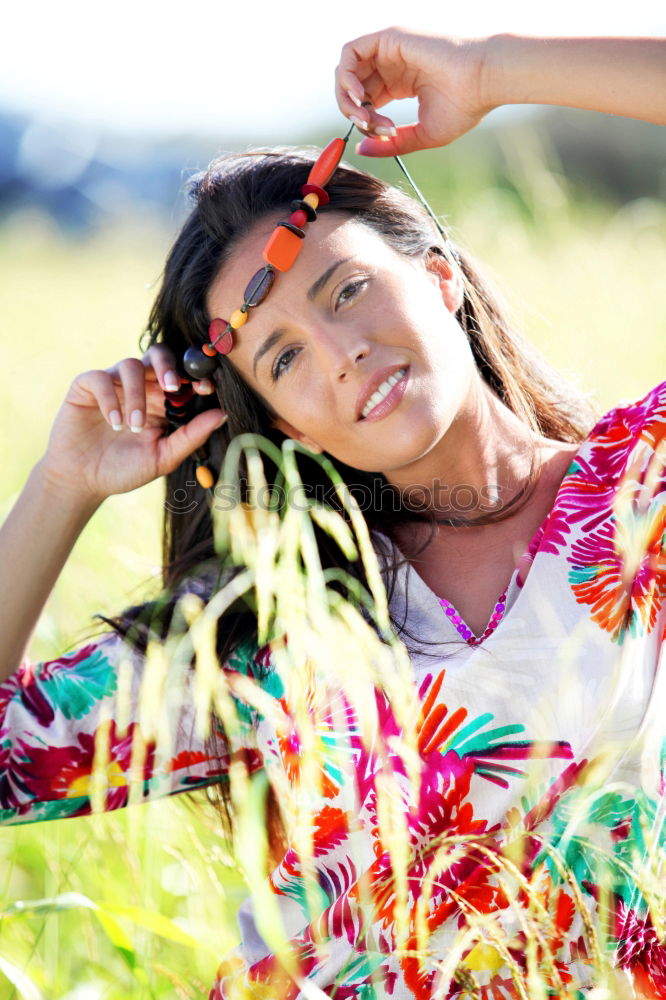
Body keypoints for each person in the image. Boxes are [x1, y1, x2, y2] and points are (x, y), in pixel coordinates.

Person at [1, 28, 665, 1000]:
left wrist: (491, 73)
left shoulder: (640, 493)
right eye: (281, 359)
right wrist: (61, 486)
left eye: (347, 289)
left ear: (440, 276)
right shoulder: (278, 627)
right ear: (283, 425)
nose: (339, 352)